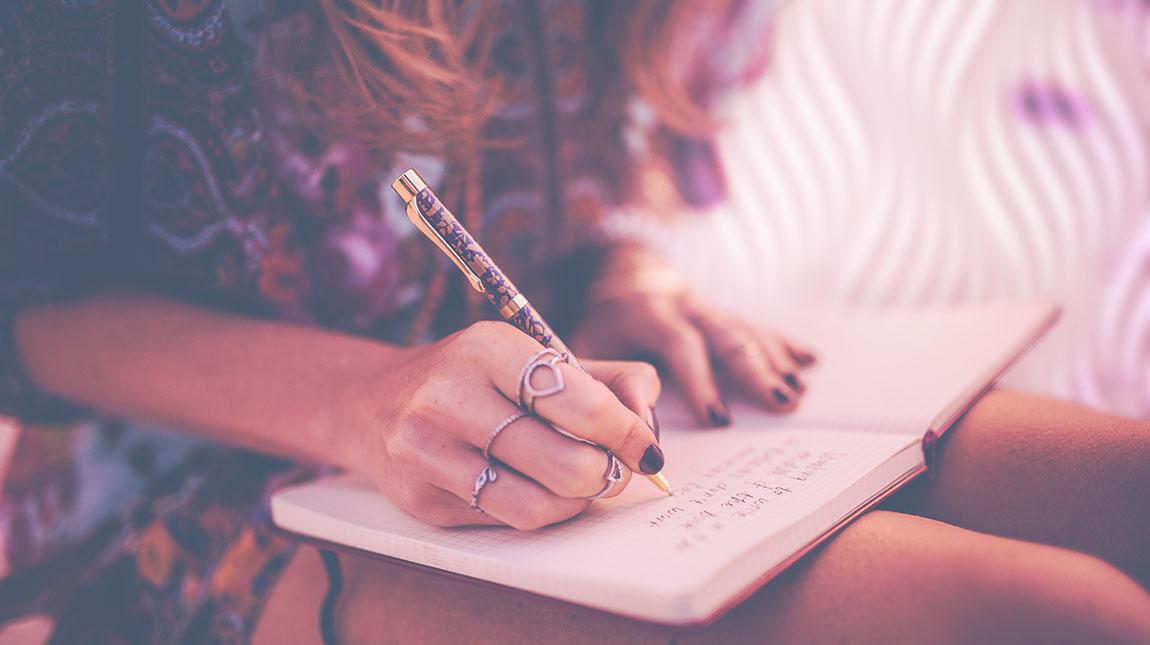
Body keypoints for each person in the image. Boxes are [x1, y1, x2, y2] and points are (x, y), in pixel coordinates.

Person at [0, 1, 1147, 643]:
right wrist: (361, 398)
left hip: (551, 393)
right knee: (1050, 617)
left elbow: (598, 186)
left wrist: (619, 276)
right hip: (207, 484)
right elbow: (31, 312)